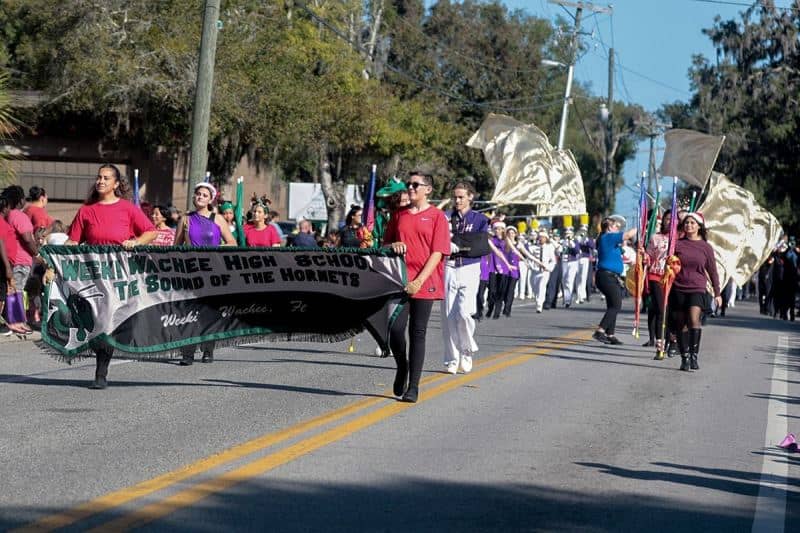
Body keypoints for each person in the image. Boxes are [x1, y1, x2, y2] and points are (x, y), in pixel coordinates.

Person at [65, 164, 157, 389]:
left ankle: (101, 371)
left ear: (116, 184)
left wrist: (135, 242)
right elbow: (73, 242)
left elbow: (151, 231)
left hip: (119, 274)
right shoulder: (86, 211)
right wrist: (52, 253)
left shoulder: (127, 208)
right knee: (98, 318)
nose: (101, 181)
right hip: (93, 274)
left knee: (110, 318)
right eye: (99, 177)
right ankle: (102, 358)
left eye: (106, 178)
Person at [384, 171, 449, 403]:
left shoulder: (437, 216)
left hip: (425, 282)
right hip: (399, 280)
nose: (410, 188)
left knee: (417, 332)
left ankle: (413, 386)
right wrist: (394, 244)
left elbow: (438, 252)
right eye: (408, 185)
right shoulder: (399, 215)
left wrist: (419, 281)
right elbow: (385, 243)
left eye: (415, 185)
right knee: (394, 329)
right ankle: (402, 365)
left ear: (427, 189)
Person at [174, 182, 236, 365]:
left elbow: (232, 242)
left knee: (208, 312)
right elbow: (175, 247)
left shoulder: (217, 219)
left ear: (210, 199)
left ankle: (208, 349)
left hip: (212, 271)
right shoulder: (185, 219)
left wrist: (216, 249)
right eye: (197, 194)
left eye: (204, 195)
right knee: (189, 312)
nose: (199, 197)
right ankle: (187, 352)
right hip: (190, 271)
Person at [441, 181, 488, 375]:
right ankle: (452, 359)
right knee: (447, 316)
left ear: (470, 197)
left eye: (461, 197)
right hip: (449, 267)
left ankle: (466, 350)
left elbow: (480, 244)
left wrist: (460, 246)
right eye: (455, 197)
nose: (457, 200)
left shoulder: (479, 219)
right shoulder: (446, 217)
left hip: (469, 268)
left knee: (464, 313)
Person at [670, 212, 721, 371]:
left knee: (693, 319)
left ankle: (694, 356)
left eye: (692, 223)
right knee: (681, 323)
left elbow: (712, 270)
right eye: (686, 223)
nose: (689, 225)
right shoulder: (677, 244)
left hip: (697, 287)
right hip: (678, 286)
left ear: (699, 226)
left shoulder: (706, 247)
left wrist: (718, 292)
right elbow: (669, 264)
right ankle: (684, 357)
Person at [592, 215, 638, 345]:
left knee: (612, 305)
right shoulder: (608, 237)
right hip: (606, 276)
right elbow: (628, 235)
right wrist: (641, 224)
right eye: (616, 227)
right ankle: (600, 331)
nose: (618, 229)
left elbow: (623, 253)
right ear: (609, 227)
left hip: (609, 276)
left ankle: (610, 334)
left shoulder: (609, 241)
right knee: (616, 305)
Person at [3, 185, 39, 331]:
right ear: (19, 201)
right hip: (20, 260)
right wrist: (36, 253)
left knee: (12, 290)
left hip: (10, 258)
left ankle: (15, 319)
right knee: (16, 290)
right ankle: (15, 321)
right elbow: (27, 238)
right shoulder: (18, 215)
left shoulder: (6, 215)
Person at [645, 210, 671, 359]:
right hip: (656, 276)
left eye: (672, 219)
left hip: (673, 279)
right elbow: (649, 255)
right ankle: (659, 346)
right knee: (661, 310)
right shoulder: (656, 238)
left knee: (671, 312)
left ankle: (671, 341)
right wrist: (644, 257)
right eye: (667, 219)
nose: (669, 221)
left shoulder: (680, 239)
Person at [529, 230, 557, 313]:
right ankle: (538, 300)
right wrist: (532, 267)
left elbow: (553, 261)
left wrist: (548, 267)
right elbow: (528, 259)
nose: (541, 239)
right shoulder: (533, 248)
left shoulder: (549, 248)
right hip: (535, 271)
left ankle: (539, 305)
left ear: (546, 239)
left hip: (544, 272)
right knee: (535, 289)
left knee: (542, 287)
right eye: (540, 237)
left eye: (543, 237)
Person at [560, 226, 581, 307]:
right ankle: (566, 298)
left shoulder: (575, 241)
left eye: (569, 233)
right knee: (564, 281)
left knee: (569, 281)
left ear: (572, 234)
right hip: (564, 262)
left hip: (572, 262)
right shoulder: (562, 241)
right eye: (566, 233)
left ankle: (568, 300)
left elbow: (577, 251)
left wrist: (571, 243)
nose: (567, 235)